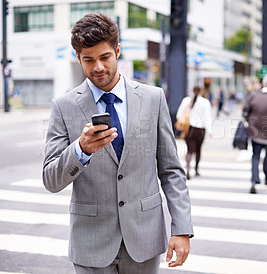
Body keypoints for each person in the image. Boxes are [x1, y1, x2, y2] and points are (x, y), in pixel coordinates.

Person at [42, 13, 193, 273]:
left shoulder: (153, 98)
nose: (98, 67)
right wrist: (81, 150)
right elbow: (51, 179)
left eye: (105, 57)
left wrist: (182, 229)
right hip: (91, 243)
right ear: (78, 57)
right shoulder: (63, 106)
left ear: (117, 50)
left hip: (144, 240)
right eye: (88, 60)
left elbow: (171, 170)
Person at [176, 86, 212, 180]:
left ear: (192, 91)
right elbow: (207, 118)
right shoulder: (205, 102)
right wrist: (210, 130)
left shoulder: (186, 100)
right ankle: (196, 169)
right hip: (201, 129)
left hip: (189, 128)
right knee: (198, 150)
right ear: (201, 91)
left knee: (189, 150)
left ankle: (188, 169)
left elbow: (179, 115)